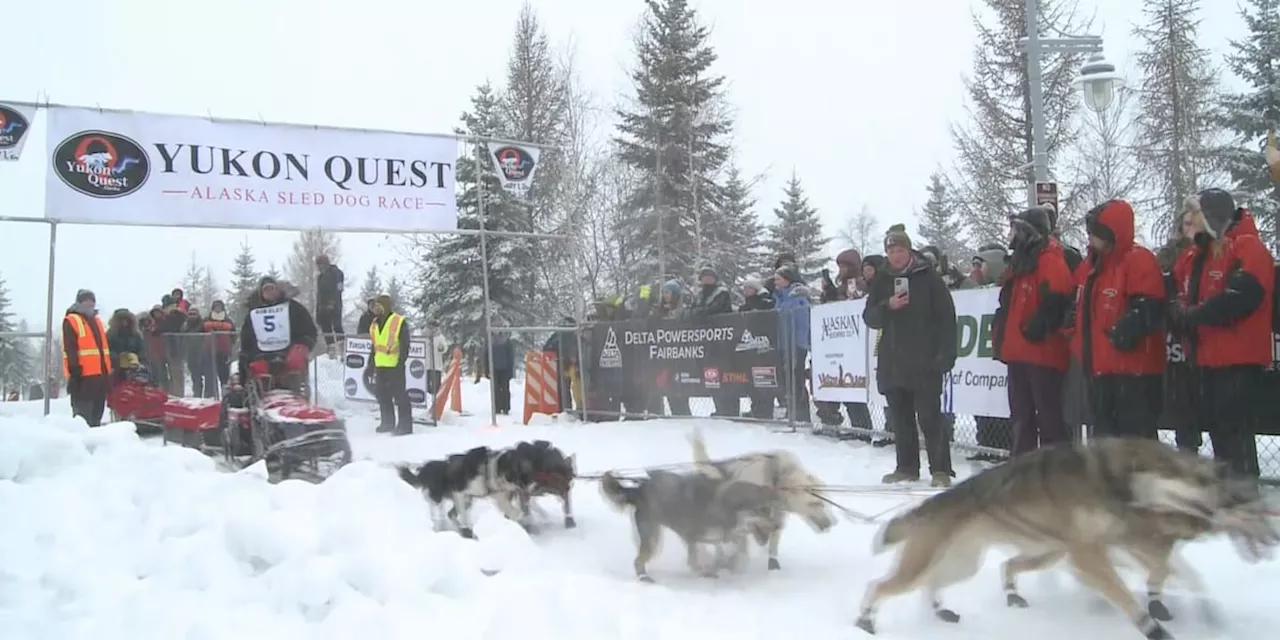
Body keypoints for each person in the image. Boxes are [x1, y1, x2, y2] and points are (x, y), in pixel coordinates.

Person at [1172, 189, 1275, 482]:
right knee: (1220, 432)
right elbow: (1184, 292)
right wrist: (1182, 312)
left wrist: (1196, 314)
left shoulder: (1247, 247)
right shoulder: (1200, 255)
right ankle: (1231, 496)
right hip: (1208, 355)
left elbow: (1243, 295)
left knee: (1235, 434)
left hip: (1238, 356)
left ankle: (1243, 498)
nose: (1191, 225)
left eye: (1197, 218)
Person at [1065, 200, 1168, 441]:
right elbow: (1075, 300)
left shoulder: (1138, 260)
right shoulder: (1091, 266)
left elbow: (1148, 306)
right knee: (1106, 443)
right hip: (1100, 368)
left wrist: (1123, 333)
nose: (1090, 239)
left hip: (1133, 372)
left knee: (1135, 443)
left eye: (1095, 234)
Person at [863, 224, 956, 487]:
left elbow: (947, 319)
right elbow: (869, 317)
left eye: (900, 249)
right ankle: (906, 467)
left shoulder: (927, 277)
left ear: (909, 250)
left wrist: (946, 355)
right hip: (893, 361)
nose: (895, 255)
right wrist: (887, 305)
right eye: (890, 250)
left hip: (924, 360)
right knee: (900, 418)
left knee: (929, 417)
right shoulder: (881, 280)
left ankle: (940, 469)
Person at [993, 207, 1073, 455]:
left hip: (1041, 353)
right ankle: (1023, 468)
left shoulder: (1049, 258)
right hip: (1020, 351)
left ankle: (1055, 470)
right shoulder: (1021, 261)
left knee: (1048, 417)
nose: (1011, 235)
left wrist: (1035, 329)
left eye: (1015, 229)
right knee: (1021, 416)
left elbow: (1057, 301)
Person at [237, 276, 319, 392]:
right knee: (256, 367)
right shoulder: (253, 314)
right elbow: (246, 338)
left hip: (289, 349)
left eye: (272, 288)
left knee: (296, 359)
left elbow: (309, 330)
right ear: (261, 293)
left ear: (277, 290)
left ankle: (293, 384)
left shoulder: (293, 308)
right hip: (261, 353)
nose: (269, 292)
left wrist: (305, 342)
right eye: (266, 290)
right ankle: (264, 388)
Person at [63, 289, 112, 427]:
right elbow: (70, 348)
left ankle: (95, 445)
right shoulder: (72, 320)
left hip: (100, 377)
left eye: (92, 301)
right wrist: (74, 370)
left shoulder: (96, 321)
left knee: (97, 415)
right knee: (82, 418)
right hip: (83, 378)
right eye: (87, 300)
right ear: (79, 302)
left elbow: (102, 349)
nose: (90, 303)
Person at [367, 294, 412, 435]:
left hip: (395, 365)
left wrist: (401, 362)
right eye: (374, 306)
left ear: (385, 306)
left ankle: (405, 426)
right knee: (382, 395)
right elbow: (374, 346)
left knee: (400, 396)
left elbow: (405, 344)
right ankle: (387, 423)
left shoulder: (398, 321)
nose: (375, 308)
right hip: (380, 365)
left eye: (378, 305)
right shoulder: (374, 323)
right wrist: (371, 364)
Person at [773, 263, 813, 424]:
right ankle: (791, 409)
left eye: (778, 279)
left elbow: (802, 322)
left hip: (796, 343)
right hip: (783, 342)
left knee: (796, 377)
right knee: (786, 377)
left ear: (787, 279)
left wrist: (799, 341)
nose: (775, 281)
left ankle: (800, 412)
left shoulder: (798, 297)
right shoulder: (780, 296)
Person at [315, 255, 346, 354]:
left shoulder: (337, 273)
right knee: (326, 328)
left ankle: (342, 349)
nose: (320, 268)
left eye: (321, 265)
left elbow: (339, 289)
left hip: (334, 306)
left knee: (337, 326)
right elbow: (319, 295)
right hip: (323, 307)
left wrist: (332, 303)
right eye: (318, 266)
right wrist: (318, 309)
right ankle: (331, 350)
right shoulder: (320, 277)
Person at [203, 300, 236, 388]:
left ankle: (225, 395)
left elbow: (233, 335)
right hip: (209, 352)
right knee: (209, 376)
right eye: (216, 307)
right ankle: (209, 397)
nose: (217, 309)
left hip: (224, 352)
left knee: (224, 377)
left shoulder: (228, 320)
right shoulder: (207, 319)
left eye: (219, 307)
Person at [489, 332, 516, 416]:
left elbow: (486, 355)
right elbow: (510, 356)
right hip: (505, 369)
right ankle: (505, 407)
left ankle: (497, 407)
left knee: (495, 389)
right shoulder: (506, 341)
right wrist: (511, 370)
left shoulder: (491, 342)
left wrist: (487, 370)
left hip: (494, 369)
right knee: (505, 388)